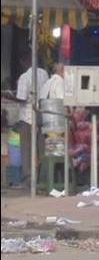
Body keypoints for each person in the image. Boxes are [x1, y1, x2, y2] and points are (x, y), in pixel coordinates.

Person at [15, 52, 49, 183]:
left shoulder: (24, 77)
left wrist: (9, 96)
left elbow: (22, 98)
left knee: (27, 149)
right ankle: (43, 177)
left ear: (25, 61)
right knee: (41, 148)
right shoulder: (44, 74)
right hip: (42, 115)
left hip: (28, 117)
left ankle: (29, 178)